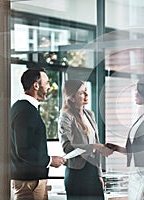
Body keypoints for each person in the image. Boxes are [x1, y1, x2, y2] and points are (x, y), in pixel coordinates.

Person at [10, 68, 66, 200]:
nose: (48, 87)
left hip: (32, 180)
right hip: (29, 182)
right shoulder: (25, 110)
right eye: (46, 83)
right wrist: (50, 160)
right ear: (36, 85)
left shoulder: (25, 108)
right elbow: (23, 150)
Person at [59, 79, 113, 200]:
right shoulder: (66, 116)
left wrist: (99, 174)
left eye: (86, 91)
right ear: (72, 98)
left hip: (92, 171)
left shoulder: (90, 114)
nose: (86, 95)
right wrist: (93, 146)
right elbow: (67, 147)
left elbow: (96, 144)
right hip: (77, 173)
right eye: (82, 93)